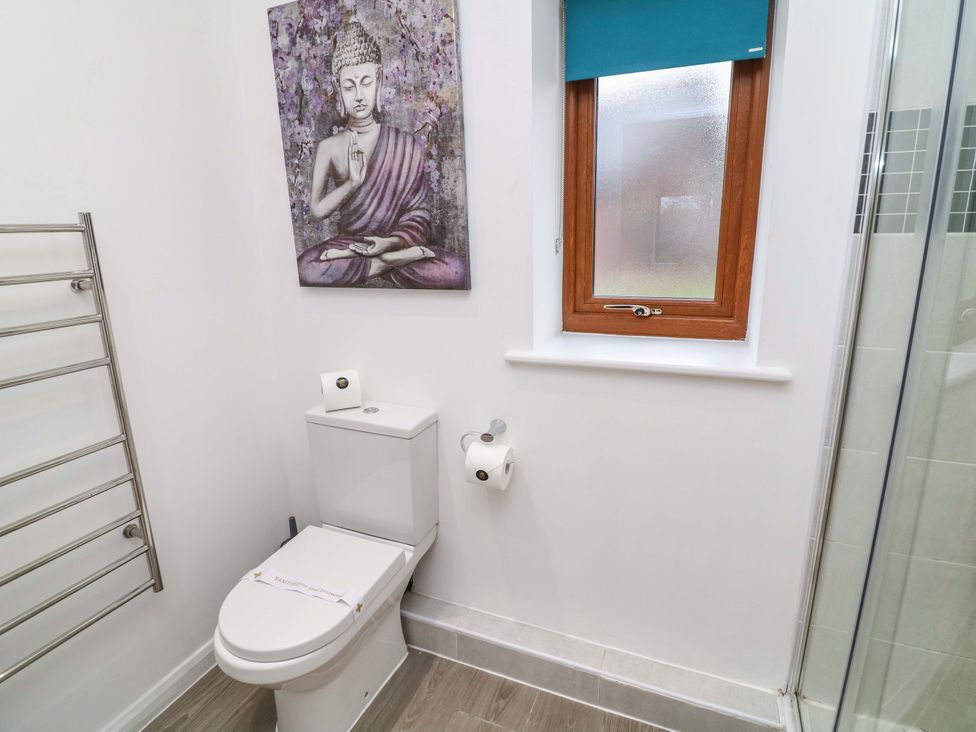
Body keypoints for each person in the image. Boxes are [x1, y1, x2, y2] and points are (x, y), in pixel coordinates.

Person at [297, 21, 467, 289]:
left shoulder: (407, 145)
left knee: (456, 271)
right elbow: (317, 210)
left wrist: (388, 242)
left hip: (392, 242)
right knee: (306, 268)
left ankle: (386, 257)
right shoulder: (329, 147)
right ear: (338, 88)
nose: (359, 95)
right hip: (351, 244)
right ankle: (386, 263)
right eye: (349, 86)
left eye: (366, 82)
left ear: (379, 80)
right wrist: (353, 183)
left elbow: (418, 216)